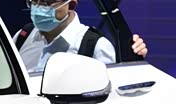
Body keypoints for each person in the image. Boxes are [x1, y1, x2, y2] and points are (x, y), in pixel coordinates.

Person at [14, 0, 148, 73]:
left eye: (48, 2)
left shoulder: (95, 45)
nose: (38, 8)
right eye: (34, 1)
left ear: (71, 5)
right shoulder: (23, 36)